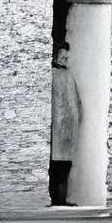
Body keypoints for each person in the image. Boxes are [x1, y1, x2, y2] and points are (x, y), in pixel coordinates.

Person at [48, 38, 81, 207]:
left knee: (64, 164)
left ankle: (61, 199)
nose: (64, 60)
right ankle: (57, 199)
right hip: (58, 128)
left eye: (66, 57)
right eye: (62, 57)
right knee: (58, 165)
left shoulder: (68, 76)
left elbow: (76, 103)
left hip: (67, 127)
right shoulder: (54, 76)